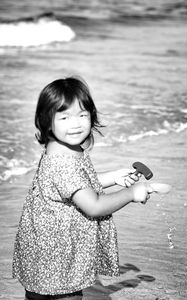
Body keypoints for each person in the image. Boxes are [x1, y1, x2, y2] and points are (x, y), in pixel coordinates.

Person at [12, 76, 153, 300]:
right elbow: (94, 206)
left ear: (92, 116)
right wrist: (131, 194)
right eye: (65, 117)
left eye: (82, 115)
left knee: (38, 293)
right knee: (66, 294)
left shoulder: (59, 147)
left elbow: (75, 185)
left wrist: (113, 177)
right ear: (47, 121)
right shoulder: (63, 160)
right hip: (59, 255)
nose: (75, 123)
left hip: (43, 248)